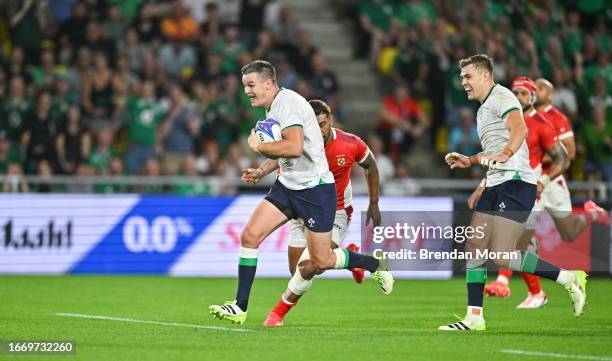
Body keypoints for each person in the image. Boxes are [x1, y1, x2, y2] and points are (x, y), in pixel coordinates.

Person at [208, 60, 393, 325]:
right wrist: (262, 170)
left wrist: (260, 147)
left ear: (269, 84)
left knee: (320, 261)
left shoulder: (289, 104)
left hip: (315, 190)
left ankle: (373, 264)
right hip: (288, 186)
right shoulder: (274, 108)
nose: (247, 91)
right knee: (250, 236)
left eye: (251, 85)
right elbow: (286, 150)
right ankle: (240, 307)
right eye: (244, 86)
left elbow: (293, 148)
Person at [442, 54, 587, 331]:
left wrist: (507, 153)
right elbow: (495, 147)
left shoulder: (503, 96)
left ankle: (568, 279)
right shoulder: (483, 108)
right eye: (462, 78)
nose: (463, 83)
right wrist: (471, 160)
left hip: (517, 182)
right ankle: (474, 317)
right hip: (496, 182)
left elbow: (518, 128)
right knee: (474, 246)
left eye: (468, 77)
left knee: (500, 255)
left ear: (485, 76)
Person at [481, 78, 609, 307]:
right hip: (529, 186)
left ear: (548, 95)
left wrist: (540, 164)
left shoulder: (554, 119)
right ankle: (528, 289)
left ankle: (593, 213)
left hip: (552, 182)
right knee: (518, 240)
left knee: (568, 233)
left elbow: (567, 153)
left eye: (540, 89)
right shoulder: (511, 120)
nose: (533, 92)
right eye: (518, 92)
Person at [262, 99, 382, 327]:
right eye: (314, 125)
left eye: (323, 124)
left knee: (310, 267)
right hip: (300, 210)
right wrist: (260, 171)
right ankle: (351, 258)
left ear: (331, 121)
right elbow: (279, 159)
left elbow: (371, 166)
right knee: (297, 270)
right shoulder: (297, 143)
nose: (319, 130)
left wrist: (374, 204)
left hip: (335, 211)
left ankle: (276, 315)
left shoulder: (350, 143)